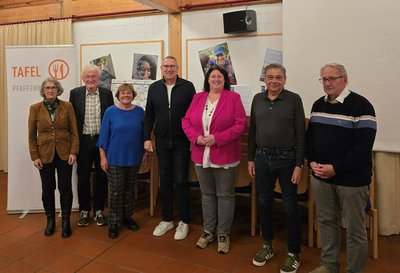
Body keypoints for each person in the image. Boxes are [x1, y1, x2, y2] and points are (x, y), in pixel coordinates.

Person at [306, 63, 377, 273]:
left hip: (352, 181)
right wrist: (311, 162)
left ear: (345, 79)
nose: (327, 83)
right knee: (327, 223)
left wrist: (335, 168)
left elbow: (363, 147)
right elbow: (310, 140)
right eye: (324, 79)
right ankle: (329, 266)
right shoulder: (318, 104)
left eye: (332, 78)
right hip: (320, 178)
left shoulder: (362, 106)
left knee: (355, 231)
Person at [248, 63, 306, 273]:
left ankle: (293, 253)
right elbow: (253, 129)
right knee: (264, 202)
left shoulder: (294, 99)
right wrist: (251, 158)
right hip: (262, 158)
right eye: (270, 77)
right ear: (264, 79)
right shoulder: (257, 99)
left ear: (285, 79)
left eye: (278, 77)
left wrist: (299, 164)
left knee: (290, 206)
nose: (274, 81)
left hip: (287, 160)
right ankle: (267, 245)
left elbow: (301, 133)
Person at [182, 66, 246, 254]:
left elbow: (240, 124)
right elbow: (185, 121)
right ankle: (208, 230)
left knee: (225, 195)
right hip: (201, 154)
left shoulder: (233, 98)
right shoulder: (198, 97)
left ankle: (223, 233)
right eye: (213, 76)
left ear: (225, 80)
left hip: (224, 154)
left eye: (220, 76)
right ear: (207, 80)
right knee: (207, 194)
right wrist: (196, 137)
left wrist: (218, 138)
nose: (216, 79)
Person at [144, 56, 196, 240]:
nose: (168, 69)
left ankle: (184, 221)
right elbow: (149, 114)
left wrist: (193, 138)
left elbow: (194, 114)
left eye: (172, 66)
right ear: (161, 69)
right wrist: (146, 138)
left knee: (181, 180)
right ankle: (166, 219)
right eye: (165, 66)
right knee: (165, 180)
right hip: (162, 141)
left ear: (177, 67)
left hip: (183, 142)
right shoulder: (154, 88)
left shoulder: (188, 87)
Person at [28, 78, 79, 238]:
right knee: (47, 188)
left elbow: (74, 132)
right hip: (44, 155)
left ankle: (65, 221)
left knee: (65, 188)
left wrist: (73, 152)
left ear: (58, 90)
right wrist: (34, 156)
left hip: (65, 153)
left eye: (53, 88)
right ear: (43, 91)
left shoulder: (67, 106)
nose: (50, 90)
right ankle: (50, 220)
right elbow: (31, 136)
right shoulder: (35, 108)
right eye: (47, 88)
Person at [69, 64, 115, 227]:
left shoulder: (107, 94)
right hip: (83, 141)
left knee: (102, 176)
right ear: (83, 78)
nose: (90, 79)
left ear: (98, 78)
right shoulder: (75, 94)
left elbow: (111, 119)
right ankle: (84, 210)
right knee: (83, 177)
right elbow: (71, 120)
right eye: (87, 77)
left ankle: (98, 210)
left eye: (93, 77)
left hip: (102, 141)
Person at [98, 83, 145, 239]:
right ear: (118, 95)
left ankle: (127, 217)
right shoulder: (110, 112)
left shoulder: (140, 112)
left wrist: (144, 154)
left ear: (133, 95)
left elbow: (144, 135)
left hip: (134, 157)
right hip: (114, 158)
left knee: (130, 189)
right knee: (117, 191)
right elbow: (103, 136)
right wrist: (103, 157)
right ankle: (113, 221)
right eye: (123, 93)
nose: (126, 95)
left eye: (129, 93)